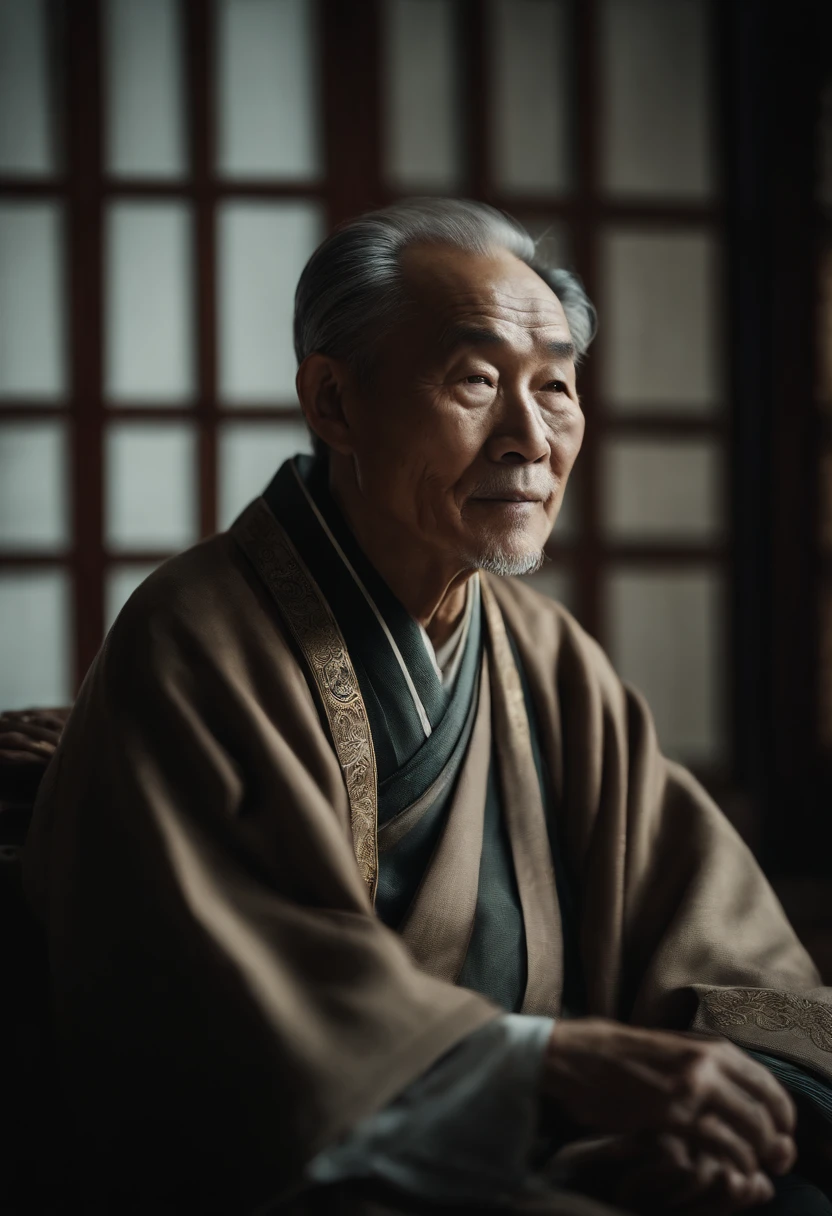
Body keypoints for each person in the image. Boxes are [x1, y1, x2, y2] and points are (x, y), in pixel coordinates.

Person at [21, 200, 832, 1216]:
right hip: (341, 1170)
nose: (529, 439)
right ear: (333, 402)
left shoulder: (547, 659)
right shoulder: (196, 639)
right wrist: (544, 1065)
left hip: (557, 1147)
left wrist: (726, 1108)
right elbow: (208, 1012)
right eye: (477, 380)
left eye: (556, 389)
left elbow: (713, 928)